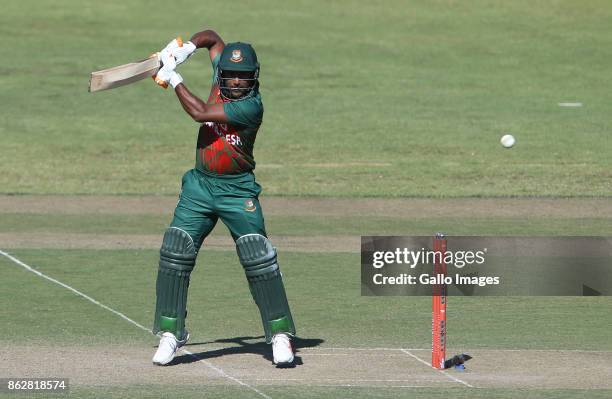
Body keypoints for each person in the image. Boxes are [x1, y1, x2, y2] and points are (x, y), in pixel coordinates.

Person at [149, 30, 296, 367]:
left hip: (237, 189)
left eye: (242, 77)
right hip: (200, 186)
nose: (234, 81)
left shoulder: (250, 106)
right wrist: (186, 48)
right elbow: (213, 38)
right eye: (229, 74)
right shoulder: (221, 75)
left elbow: (200, 113)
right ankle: (171, 333)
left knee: (258, 255)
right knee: (175, 248)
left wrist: (173, 78)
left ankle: (280, 335)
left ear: (253, 79)